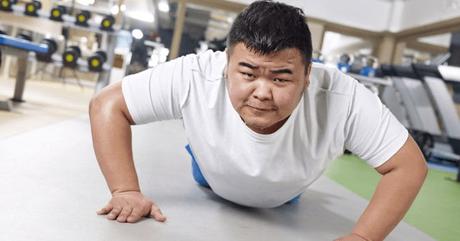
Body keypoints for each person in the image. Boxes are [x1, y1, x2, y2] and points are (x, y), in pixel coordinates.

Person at [89, 1, 427, 240]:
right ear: (226, 65)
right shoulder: (196, 72)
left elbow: (409, 166)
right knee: (204, 161)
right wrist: (126, 190)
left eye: (280, 79)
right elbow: (107, 104)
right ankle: (202, 152)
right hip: (210, 167)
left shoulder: (342, 95)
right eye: (248, 73)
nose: (262, 92)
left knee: (282, 187)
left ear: (308, 75)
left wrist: (364, 237)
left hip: (287, 188)